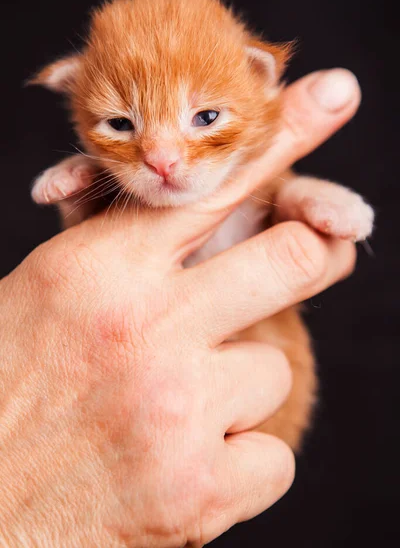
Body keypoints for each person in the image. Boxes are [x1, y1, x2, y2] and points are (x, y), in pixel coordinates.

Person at [0, 69, 359, 547]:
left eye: (205, 116)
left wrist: (300, 197)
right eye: (122, 124)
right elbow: (91, 268)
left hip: (238, 427)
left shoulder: (252, 161)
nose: (162, 159)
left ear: (261, 78)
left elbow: (275, 195)